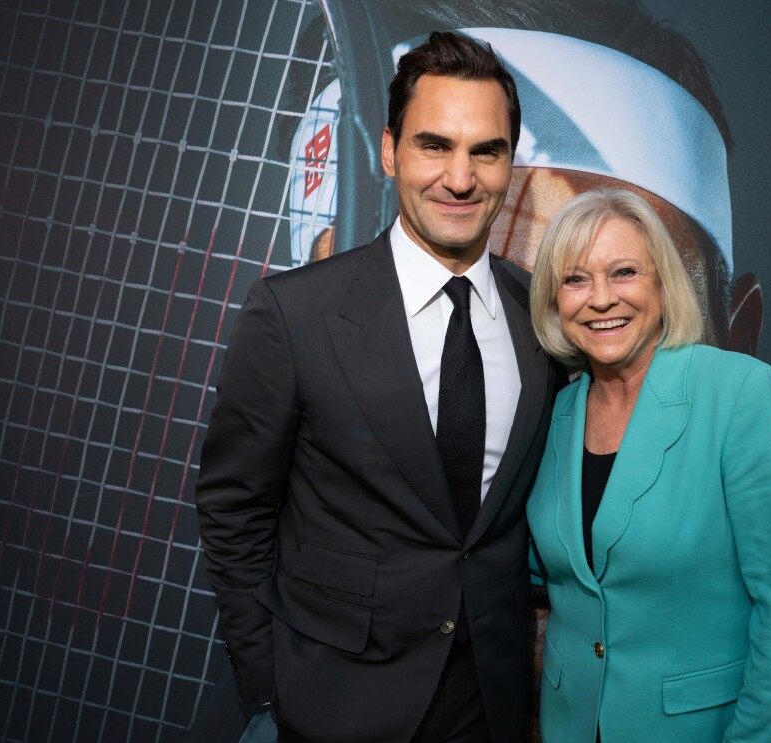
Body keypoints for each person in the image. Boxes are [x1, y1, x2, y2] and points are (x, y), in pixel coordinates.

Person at [195, 31, 562, 743]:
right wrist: (269, 679)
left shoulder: (540, 318)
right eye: (434, 145)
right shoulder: (293, 313)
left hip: (488, 706)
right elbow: (233, 507)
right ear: (390, 151)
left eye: (485, 151)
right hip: (334, 704)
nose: (460, 178)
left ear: (509, 163)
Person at [526, 188, 771, 742]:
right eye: (575, 279)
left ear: (663, 283)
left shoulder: (739, 392)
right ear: (554, 300)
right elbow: (547, 566)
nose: (601, 299)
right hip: (568, 726)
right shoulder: (555, 413)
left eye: (624, 272)